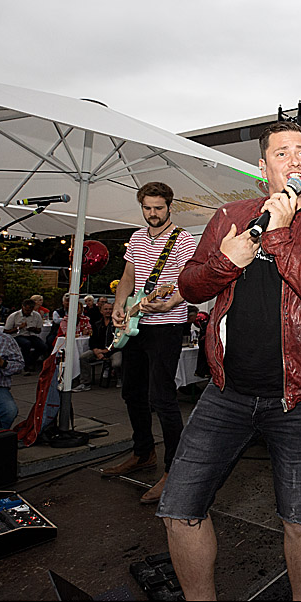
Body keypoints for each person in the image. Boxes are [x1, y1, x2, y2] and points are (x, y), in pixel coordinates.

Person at [162, 121, 301, 601]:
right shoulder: (230, 215)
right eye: (282, 153)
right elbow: (188, 286)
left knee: (299, 516)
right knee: (179, 507)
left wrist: (282, 237)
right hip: (226, 392)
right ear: (263, 167)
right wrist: (226, 262)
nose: (295, 160)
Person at [102, 181, 196, 505]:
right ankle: (144, 453)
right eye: (147, 208)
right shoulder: (137, 238)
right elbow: (128, 276)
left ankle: (176, 469)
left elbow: (186, 279)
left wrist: (171, 303)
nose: (152, 214)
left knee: (162, 398)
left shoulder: (182, 239)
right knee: (131, 392)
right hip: (135, 324)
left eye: (158, 208)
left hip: (166, 326)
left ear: (170, 206)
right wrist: (119, 304)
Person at [74, 301, 121, 392]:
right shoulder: (96, 324)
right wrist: (96, 350)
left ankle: (119, 378)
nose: (108, 311)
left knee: (117, 363)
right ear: (101, 311)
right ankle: (85, 383)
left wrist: (106, 351)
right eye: (106, 309)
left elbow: (119, 340)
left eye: (110, 309)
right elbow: (92, 339)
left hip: (113, 350)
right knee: (83, 357)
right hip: (99, 350)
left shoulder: (117, 324)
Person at [4, 298, 48, 369]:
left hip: (31, 335)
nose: (28, 312)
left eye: (30, 310)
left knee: (43, 346)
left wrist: (33, 329)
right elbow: (6, 331)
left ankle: (31, 360)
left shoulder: (37, 315)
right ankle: (26, 364)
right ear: (22, 307)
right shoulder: (14, 316)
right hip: (18, 335)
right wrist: (19, 327)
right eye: (26, 310)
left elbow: (39, 330)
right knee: (26, 344)